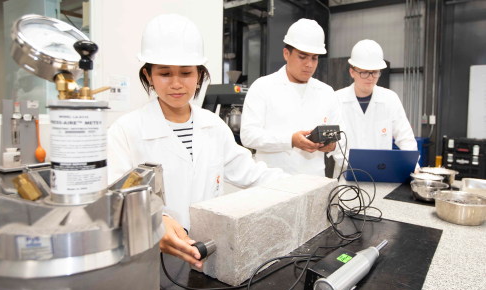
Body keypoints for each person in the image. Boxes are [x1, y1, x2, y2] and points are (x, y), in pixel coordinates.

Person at [108, 14, 287, 269]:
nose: (177, 83)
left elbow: (252, 173)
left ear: (199, 74)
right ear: (148, 75)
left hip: (205, 254)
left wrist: (300, 185)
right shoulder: (125, 131)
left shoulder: (213, 126)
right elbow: (114, 199)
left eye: (186, 73)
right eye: (165, 73)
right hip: (149, 261)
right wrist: (155, 219)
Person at [240, 19, 346, 177]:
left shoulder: (327, 92)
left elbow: (340, 139)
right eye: (302, 57)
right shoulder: (263, 87)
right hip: (273, 182)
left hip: (313, 182)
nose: (309, 64)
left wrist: (332, 146)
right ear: (286, 54)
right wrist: (290, 140)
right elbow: (248, 135)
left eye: (314, 58)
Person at [335, 40, 417, 153]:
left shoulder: (390, 99)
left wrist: (413, 167)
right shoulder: (337, 99)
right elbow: (334, 144)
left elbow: (406, 139)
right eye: (364, 72)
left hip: (380, 170)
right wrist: (355, 164)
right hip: (347, 169)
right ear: (352, 72)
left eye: (375, 72)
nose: (370, 78)